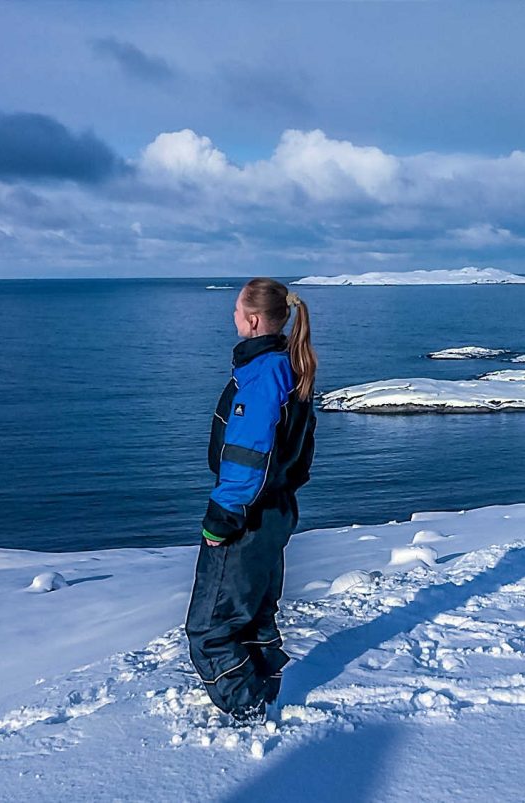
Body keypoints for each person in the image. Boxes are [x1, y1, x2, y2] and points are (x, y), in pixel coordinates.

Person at [185, 277, 318, 724]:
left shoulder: (264, 376)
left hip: (248, 517)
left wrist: (221, 519)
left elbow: (248, 454)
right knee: (256, 615)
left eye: (236, 310)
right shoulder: (286, 366)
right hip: (275, 510)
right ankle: (266, 691)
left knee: (209, 629)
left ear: (253, 319)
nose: (232, 316)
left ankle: (249, 711)